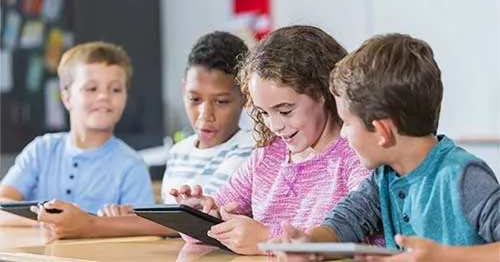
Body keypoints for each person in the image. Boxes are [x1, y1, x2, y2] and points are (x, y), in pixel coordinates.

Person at [277, 33, 500, 262]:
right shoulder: (384, 177)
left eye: (347, 123)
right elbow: (345, 220)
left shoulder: (463, 177)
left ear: (382, 131)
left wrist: (443, 257)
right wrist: (310, 244)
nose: (343, 134)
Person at [171, 25, 372, 255]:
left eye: (285, 111)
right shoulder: (268, 156)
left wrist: (267, 237)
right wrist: (197, 217)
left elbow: (368, 240)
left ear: (323, 92)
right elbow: (214, 216)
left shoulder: (356, 155)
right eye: (264, 113)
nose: (275, 126)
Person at [33, 31, 254, 239]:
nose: (206, 115)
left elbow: (197, 223)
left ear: (245, 95)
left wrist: (89, 225)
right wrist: (133, 215)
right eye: (194, 99)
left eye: (222, 101)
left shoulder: (250, 152)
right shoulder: (180, 152)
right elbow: (173, 221)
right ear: (184, 88)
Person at [0, 41, 154, 226]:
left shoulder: (131, 166)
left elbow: (143, 228)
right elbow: (3, 204)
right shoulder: (42, 150)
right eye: (91, 88)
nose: (104, 96)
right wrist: (50, 220)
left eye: (115, 89)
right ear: (66, 97)